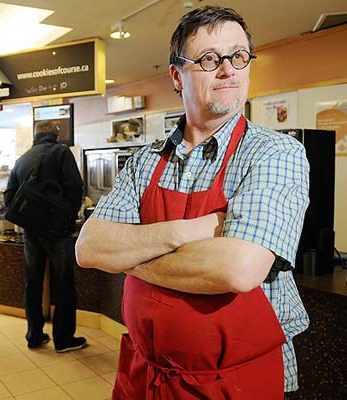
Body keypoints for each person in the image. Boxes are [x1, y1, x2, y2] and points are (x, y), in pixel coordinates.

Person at [76, 6, 309, 399]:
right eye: (208, 59)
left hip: (236, 382)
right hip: (147, 376)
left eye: (237, 57)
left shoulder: (274, 153)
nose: (227, 70)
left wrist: (130, 256)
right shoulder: (145, 160)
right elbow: (90, 248)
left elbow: (237, 270)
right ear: (176, 76)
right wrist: (192, 230)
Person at [4, 120, 87, 352]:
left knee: (33, 283)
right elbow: (75, 187)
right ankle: (63, 339)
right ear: (56, 135)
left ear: (35, 135)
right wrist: (68, 215)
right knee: (64, 283)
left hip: (31, 232)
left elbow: (9, 195)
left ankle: (34, 334)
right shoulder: (61, 153)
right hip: (58, 231)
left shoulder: (23, 158)